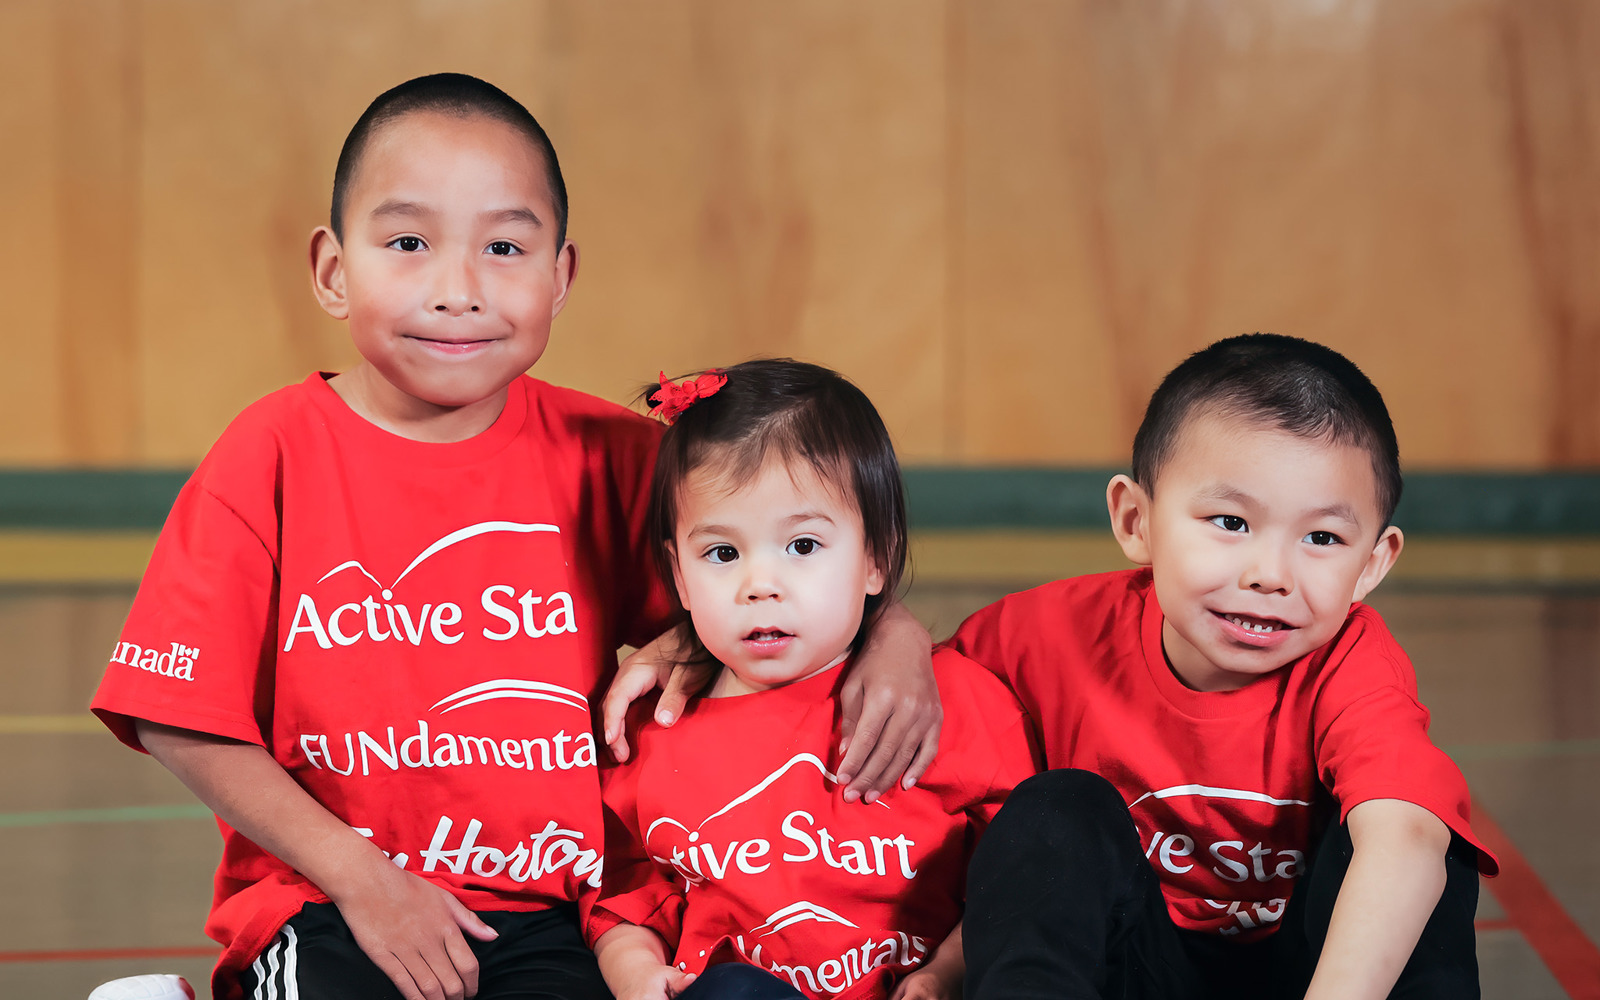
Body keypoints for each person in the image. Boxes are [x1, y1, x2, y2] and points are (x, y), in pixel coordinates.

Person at [89, 74, 939, 1000]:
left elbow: (779, 585)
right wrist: (367, 883)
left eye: (503, 247)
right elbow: (174, 712)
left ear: (561, 276)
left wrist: (892, 636)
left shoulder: (613, 455)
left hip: (555, 914)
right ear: (334, 270)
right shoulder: (272, 452)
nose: (458, 291)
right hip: (334, 899)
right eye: (408, 243)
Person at [947, 334, 1499, 1000]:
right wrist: (889, 638)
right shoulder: (1042, 633)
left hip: (1305, 978)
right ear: (1135, 519)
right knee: (1057, 810)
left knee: (1421, 833)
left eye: (1321, 538)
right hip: (1140, 972)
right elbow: (902, 688)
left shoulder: (1351, 662)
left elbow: (1403, 840)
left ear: (1373, 565)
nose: (1269, 576)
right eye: (1230, 522)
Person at [589, 360, 1039, 1000]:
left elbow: (1021, 883)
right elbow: (627, 891)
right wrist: (632, 969)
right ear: (679, 576)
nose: (760, 585)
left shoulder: (951, 702)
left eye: (802, 546)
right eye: (722, 554)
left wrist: (944, 975)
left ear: (875, 558)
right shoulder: (652, 725)